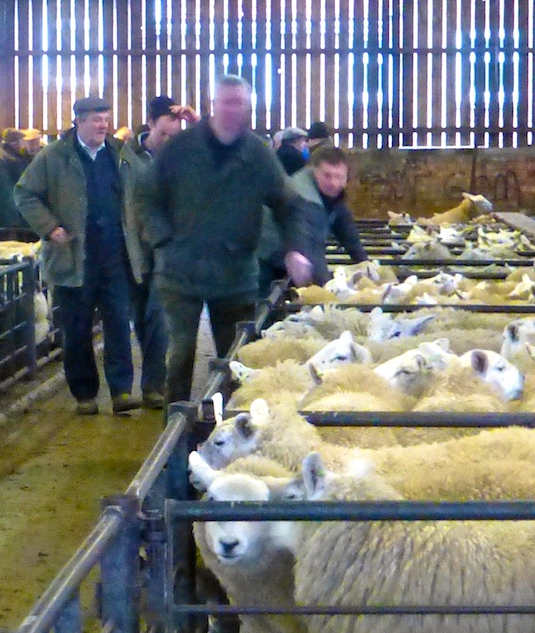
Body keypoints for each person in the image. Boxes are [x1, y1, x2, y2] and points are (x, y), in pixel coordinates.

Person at [137, 75, 317, 405]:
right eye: (227, 102)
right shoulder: (181, 148)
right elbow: (146, 196)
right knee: (179, 357)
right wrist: (162, 240)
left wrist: (295, 249)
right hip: (181, 273)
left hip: (235, 276)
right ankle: (176, 442)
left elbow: (289, 205)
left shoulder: (258, 155)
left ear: (249, 107)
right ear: (213, 105)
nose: (233, 109)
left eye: (240, 103)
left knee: (236, 361)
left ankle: (229, 430)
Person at [15, 97, 145, 415]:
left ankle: (121, 391)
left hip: (115, 254)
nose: (103, 125)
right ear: (79, 121)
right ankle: (85, 394)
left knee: (117, 324)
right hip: (74, 257)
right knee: (77, 328)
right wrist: (50, 227)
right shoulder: (55, 156)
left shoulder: (119, 153)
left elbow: (143, 186)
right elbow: (24, 193)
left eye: (106, 118)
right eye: (97, 119)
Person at [121, 95, 197, 409]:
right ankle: (144, 382)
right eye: (164, 134)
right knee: (138, 316)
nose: (168, 141)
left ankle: (153, 386)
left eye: (174, 135)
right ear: (150, 124)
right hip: (130, 249)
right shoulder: (126, 156)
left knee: (156, 317)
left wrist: (195, 123)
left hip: (165, 249)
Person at [257, 145, 368, 289]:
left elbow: (344, 226)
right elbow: (312, 250)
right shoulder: (305, 199)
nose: (334, 183)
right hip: (267, 257)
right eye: (327, 175)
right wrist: (327, 290)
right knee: (268, 301)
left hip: (291, 254)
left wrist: (365, 264)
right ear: (314, 171)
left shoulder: (330, 194)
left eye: (339, 176)